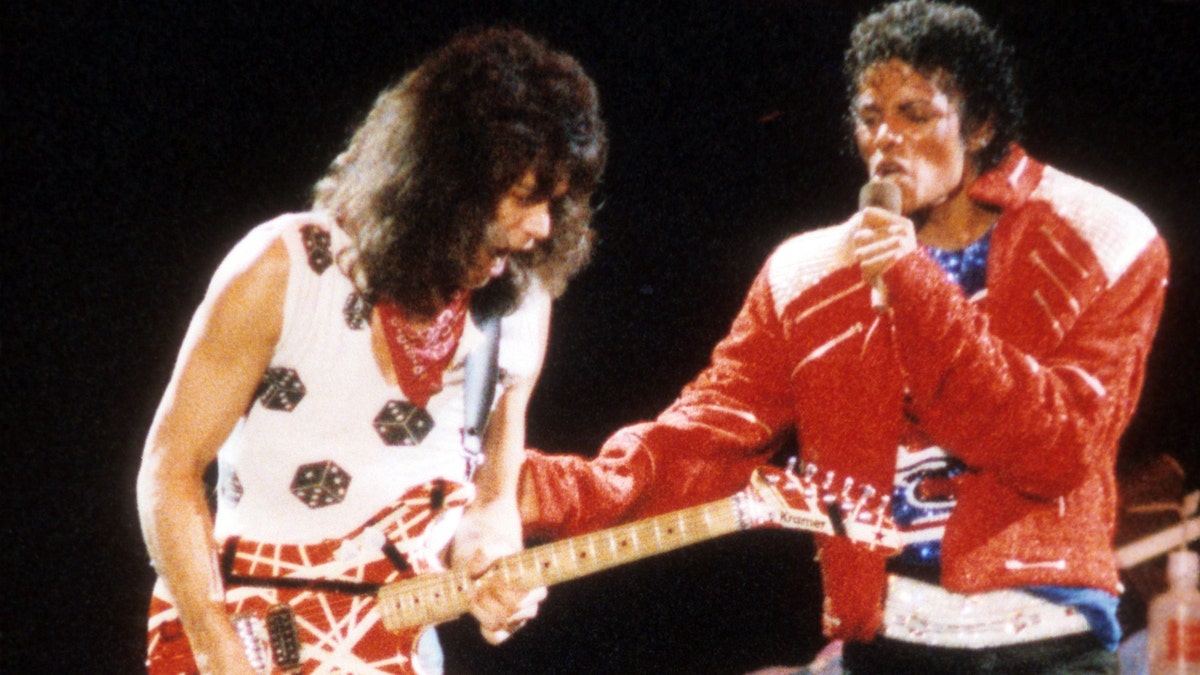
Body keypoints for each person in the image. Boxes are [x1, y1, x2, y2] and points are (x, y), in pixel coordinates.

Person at [516, 2, 1169, 673]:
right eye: (869, 117)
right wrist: (536, 489)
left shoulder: (1102, 235)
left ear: (981, 124)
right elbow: (700, 441)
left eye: (915, 113)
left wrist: (912, 280)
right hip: (888, 641)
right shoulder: (807, 272)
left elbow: (1055, 448)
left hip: (1048, 638)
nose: (886, 138)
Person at [136, 27, 606, 675]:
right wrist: (219, 652)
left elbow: (491, 500)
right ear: (449, 181)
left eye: (556, 202)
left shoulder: (522, 309)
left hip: (398, 650)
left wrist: (493, 565)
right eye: (527, 196)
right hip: (244, 639)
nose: (543, 227)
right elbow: (167, 469)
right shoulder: (285, 267)